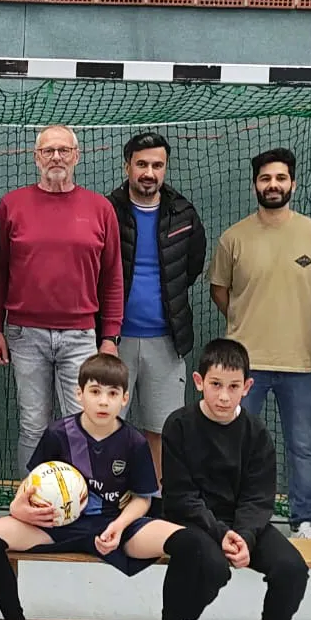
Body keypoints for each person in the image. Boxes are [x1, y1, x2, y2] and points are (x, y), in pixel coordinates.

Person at [0, 352, 222, 620]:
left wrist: (118, 526)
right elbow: (31, 485)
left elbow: (143, 499)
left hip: (115, 524)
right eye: (95, 391)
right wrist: (19, 509)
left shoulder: (133, 441)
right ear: (79, 394)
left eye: (112, 393)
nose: (103, 401)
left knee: (190, 543)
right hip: (59, 525)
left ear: (125, 398)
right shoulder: (58, 434)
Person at [153, 338, 311, 620]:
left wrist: (245, 536)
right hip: (193, 521)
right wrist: (220, 532)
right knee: (212, 567)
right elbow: (181, 496)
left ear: (247, 387)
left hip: (243, 524)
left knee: (292, 568)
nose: (224, 396)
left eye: (233, 387)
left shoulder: (257, 433)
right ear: (199, 382)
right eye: (216, 385)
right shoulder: (179, 426)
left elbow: (259, 496)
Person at [210, 147, 311, 538]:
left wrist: (297, 321)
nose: (273, 185)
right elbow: (220, 290)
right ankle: (235, 517)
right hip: (244, 365)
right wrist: (246, 321)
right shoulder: (234, 238)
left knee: (302, 445)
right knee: (236, 444)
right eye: (265, 178)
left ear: (293, 184)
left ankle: (304, 519)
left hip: (302, 363)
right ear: (255, 185)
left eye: (281, 178)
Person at [0, 125, 124, 471]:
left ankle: (82, 498)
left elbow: (112, 278)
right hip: (24, 335)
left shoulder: (100, 208)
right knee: (33, 425)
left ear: (77, 156)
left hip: (80, 337)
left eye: (64, 150)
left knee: (83, 424)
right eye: (48, 151)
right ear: (36, 158)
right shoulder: (12, 205)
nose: (56, 157)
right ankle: (30, 498)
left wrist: (109, 337)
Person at [105, 131, 209, 478]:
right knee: (106, 428)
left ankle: (158, 498)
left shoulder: (184, 213)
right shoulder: (106, 210)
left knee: (162, 430)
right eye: (142, 164)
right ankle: (111, 498)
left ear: (165, 168)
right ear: (127, 166)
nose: (149, 173)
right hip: (113, 342)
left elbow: (191, 267)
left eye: (157, 165)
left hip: (167, 341)